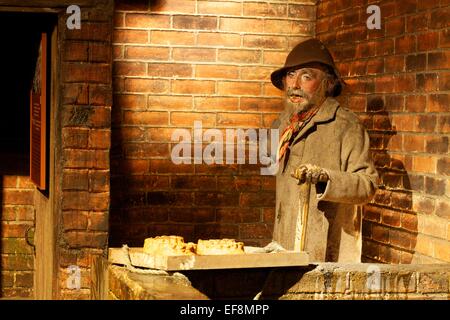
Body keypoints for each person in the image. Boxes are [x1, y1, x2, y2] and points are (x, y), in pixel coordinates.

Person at [261, 38, 378, 262]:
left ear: (328, 84)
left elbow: (368, 184)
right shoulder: (283, 125)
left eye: (306, 76)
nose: (295, 85)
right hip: (284, 245)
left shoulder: (346, 126)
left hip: (326, 250)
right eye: (290, 75)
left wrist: (327, 178)